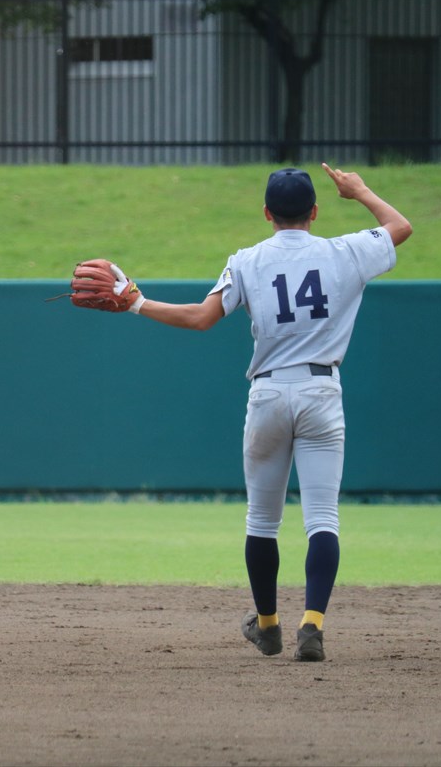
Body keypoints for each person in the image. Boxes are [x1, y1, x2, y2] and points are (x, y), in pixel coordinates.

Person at [93, 164, 411, 661]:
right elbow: (400, 227)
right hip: (321, 391)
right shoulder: (346, 251)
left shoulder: (246, 261)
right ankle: (312, 625)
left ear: (266, 213)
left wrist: (137, 303)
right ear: (315, 211)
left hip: (268, 393)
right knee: (322, 518)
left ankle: (268, 626)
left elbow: (201, 318)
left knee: (262, 521)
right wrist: (360, 190)